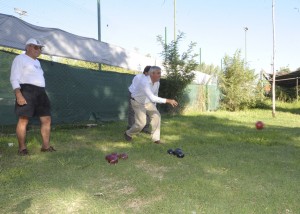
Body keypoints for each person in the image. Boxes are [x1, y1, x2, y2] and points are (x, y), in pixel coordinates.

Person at [10, 38, 56, 156]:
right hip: (26, 90)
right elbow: (14, 77)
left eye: (40, 48)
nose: (39, 50)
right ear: (28, 47)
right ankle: (22, 149)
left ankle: (45, 146)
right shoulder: (20, 58)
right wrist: (18, 94)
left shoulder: (37, 62)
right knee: (23, 120)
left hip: (41, 92)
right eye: (36, 47)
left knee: (46, 119)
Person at [124, 66, 178, 144]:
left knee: (157, 116)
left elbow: (155, 95)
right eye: (158, 73)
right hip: (137, 102)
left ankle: (156, 139)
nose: (160, 75)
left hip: (148, 102)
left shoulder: (157, 82)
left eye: (160, 73)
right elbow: (152, 97)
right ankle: (128, 133)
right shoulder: (144, 82)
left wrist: (154, 108)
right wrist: (167, 100)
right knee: (141, 123)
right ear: (152, 74)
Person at [127, 65, 151, 133]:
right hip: (133, 95)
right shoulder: (138, 77)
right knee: (132, 112)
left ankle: (145, 128)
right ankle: (130, 128)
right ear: (146, 72)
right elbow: (136, 90)